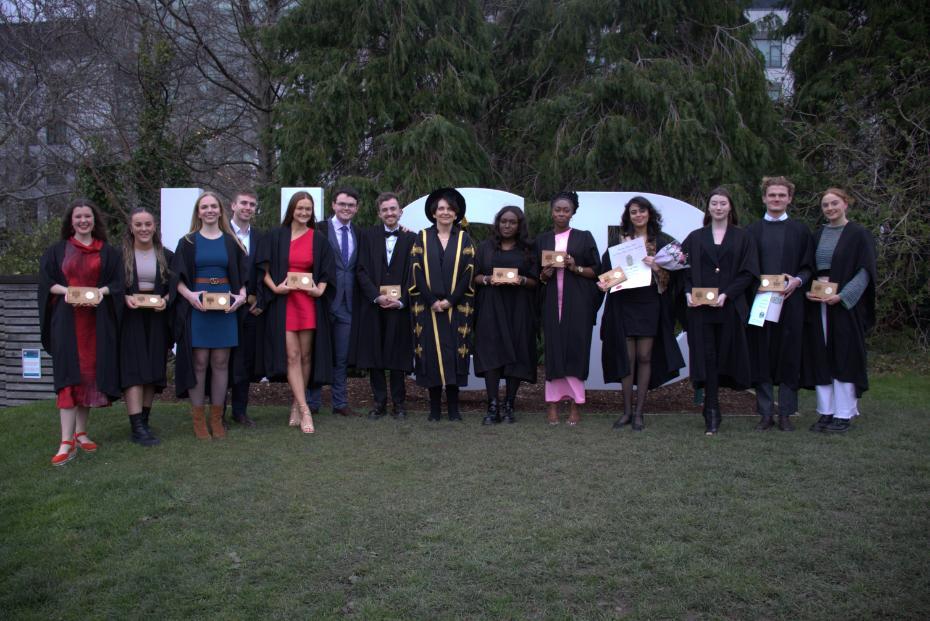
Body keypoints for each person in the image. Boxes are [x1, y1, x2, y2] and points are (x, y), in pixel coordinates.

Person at [39, 199, 123, 465]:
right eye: (78, 217)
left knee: (88, 376)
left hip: (95, 324)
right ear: (71, 221)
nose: (83, 221)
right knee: (68, 378)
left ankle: (81, 432)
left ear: (94, 220)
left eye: (88, 216)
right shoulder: (57, 251)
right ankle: (66, 441)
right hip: (68, 323)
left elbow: (117, 283)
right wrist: (68, 292)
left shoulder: (108, 252)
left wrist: (101, 292)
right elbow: (46, 283)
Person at [599, 196, 685, 431]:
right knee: (628, 359)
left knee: (645, 356)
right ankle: (626, 411)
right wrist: (604, 282)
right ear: (628, 216)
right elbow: (608, 270)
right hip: (624, 303)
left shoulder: (662, 242)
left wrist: (656, 265)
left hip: (649, 303)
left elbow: (674, 278)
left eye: (642, 211)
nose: (638, 215)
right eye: (634, 212)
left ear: (649, 213)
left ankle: (639, 412)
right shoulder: (619, 241)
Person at [255, 191, 335, 434]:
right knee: (291, 356)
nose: (304, 213)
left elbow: (327, 272)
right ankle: (305, 408)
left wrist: (319, 291)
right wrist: (275, 288)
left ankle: (295, 405)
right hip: (285, 303)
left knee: (306, 357)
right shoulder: (276, 236)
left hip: (308, 304)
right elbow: (262, 268)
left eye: (308, 209)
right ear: (291, 210)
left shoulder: (318, 238)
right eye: (300, 208)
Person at [170, 192, 248, 440]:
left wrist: (242, 296)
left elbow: (243, 276)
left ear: (221, 210)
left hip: (225, 309)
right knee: (200, 362)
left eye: (214, 206)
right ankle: (198, 419)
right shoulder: (188, 242)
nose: (210, 210)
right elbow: (177, 279)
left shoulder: (231, 241)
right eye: (205, 207)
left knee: (221, 363)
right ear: (198, 212)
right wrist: (190, 295)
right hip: (199, 309)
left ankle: (216, 419)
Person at [682, 187, 759, 435]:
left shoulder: (742, 237)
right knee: (707, 359)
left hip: (729, 308)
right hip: (701, 310)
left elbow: (748, 272)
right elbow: (682, 268)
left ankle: (714, 408)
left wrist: (727, 294)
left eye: (722, 203)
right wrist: (687, 293)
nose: (718, 207)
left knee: (723, 358)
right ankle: (711, 411)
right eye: (714, 203)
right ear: (708, 208)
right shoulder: (695, 237)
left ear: (730, 207)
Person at [802, 188, 877, 433]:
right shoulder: (819, 234)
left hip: (844, 304)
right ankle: (826, 412)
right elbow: (810, 267)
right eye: (825, 205)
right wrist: (808, 290)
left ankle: (844, 413)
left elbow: (865, 271)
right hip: (819, 304)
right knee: (822, 356)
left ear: (845, 204)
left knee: (843, 355)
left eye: (834, 203)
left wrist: (844, 296)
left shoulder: (858, 234)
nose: (830, 208)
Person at [745, 177, 815, 432]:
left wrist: (797, 281)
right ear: (764, 198)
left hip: (791, 303)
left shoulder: (801, 231)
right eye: (772, 195)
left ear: (789, 199)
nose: (776, 199)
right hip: (761, 303)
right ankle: (765, 413)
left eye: (781, 195)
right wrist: (757, 284)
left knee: (789, 356)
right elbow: (746, 269)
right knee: (761, 356)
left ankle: (786, 413)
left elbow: (809, 267)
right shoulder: (751, 231)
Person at [410, 188, 476, 421]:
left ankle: (454, 409)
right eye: (441, 208)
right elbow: (416, 270)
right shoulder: (423, 237)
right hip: (428, 308)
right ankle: (435, 408)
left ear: (456, 213)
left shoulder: (464, 239)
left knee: (454, 354)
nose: (445, 212)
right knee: (430, 353)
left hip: (456, 308)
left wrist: (450, 300)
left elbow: (468, 272)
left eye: (449, 208)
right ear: (433, 212)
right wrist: (432, 301)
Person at [536, 191, 601, 426]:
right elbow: (537, 276)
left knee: (576, 351)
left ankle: (575, 405)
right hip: (552, 303)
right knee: (553, 353)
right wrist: (544, 275)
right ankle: (552, 405)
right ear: (551, 211)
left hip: (578, 304)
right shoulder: (542, 240)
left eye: (566, 210)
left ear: (573, 212)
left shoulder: (584, 238)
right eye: (557, 209)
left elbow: (596, 271)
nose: (561, 213)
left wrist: (575, 267)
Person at [350, 192, 416, 420]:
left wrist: (402, 300)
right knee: (374, 356)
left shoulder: (412, 239)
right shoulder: (367, 236)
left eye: (393, 209)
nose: (390, 213)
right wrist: (376, 296)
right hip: (374, 306)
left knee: (397, 356)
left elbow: (415, 274)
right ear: (379, 213)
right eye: (385, 209)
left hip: (399, 307)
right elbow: (360, 270)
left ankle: (399, 403)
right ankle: (379, 402)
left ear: (400, 211)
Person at [472, 206, 538, 425]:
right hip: (491, 306)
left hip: (518, 307)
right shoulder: (485, 248)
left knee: (516, 353)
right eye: (503, 221)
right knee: (491, 353)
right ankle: (492, 405)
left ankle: (509, 404)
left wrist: (520, 280)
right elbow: (474, 277)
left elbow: (536, 281)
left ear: (519, 225)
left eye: (512, 222)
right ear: (498, 223)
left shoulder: (529, 249)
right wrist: (488, 280)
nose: (507, 226)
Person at [119, 207, 173, 447]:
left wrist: (166, 300)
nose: (143, 229)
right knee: (134, 370)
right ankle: (136, 426)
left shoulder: (166, 255)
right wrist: (124, 297)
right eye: (138, 224)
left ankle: (145, 420)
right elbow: (111, 284)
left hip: (157, 316)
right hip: (131, 318)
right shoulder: (119, 256)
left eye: (147, 224)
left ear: (155, 226)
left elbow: (176, 285)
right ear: (131, 227)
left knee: (152, 369)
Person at [307, 187, 360, 416]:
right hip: (321, 301)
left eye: (350, 205)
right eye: (342, 204)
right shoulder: (317, 229)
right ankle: (312, 402)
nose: (346, 208)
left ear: (356, 209)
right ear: (333, 205)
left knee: (341, 356)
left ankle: (339, 403)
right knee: (317, 352)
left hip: (348, 305)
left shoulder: (360, 233)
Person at [226, 189, 264, 428]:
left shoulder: (259, 237)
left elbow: (264, 270)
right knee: (221, 361)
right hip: (224, 307)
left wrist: (259, 300)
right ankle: (217, 409)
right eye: (243, 203)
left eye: (252, 204)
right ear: (233, 205)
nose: (247, 207)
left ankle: (240, 411)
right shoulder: (220, 233)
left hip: (250, 309)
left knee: (244, 361)